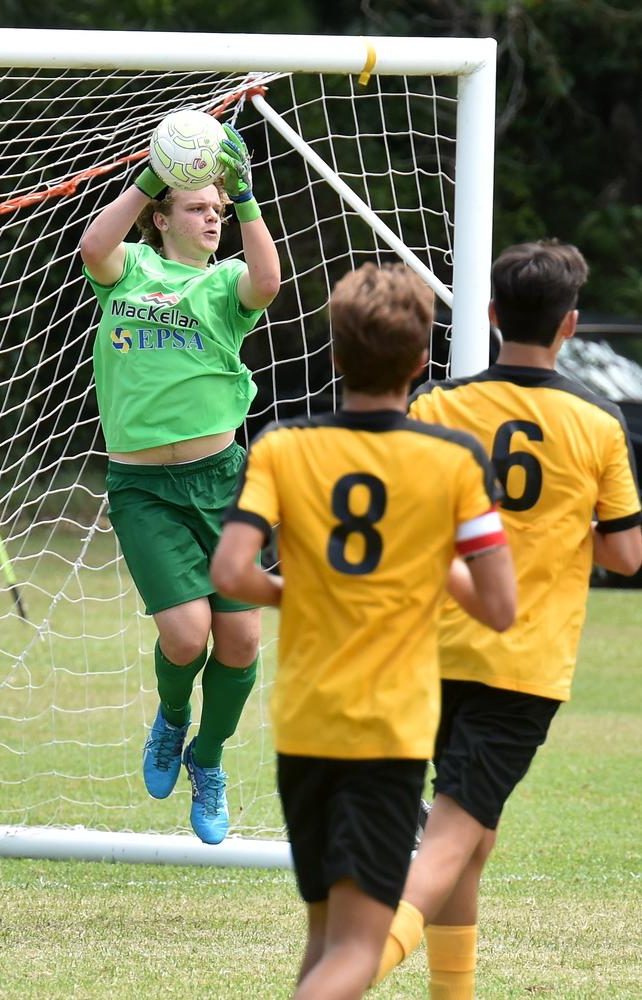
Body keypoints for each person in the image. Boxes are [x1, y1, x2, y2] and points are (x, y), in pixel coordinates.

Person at [210, 262, 516, 1000]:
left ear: (337, 355)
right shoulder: (451, 460)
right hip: (386, 729)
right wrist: (423, 567)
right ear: (421, 363)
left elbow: (230, 572)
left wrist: (301, 594)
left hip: (306, 722)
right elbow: (500, 608)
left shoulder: (283, 446)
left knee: (324, 936)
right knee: (356, 947)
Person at [373, 239, 642, 998]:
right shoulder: (598, 421)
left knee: (473, 837)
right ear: (572, 326)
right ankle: (359, 964)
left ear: (491, 317)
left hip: (431, 649)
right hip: (520, 659)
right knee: (455, 831)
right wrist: (559, 529)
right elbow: (626, 555)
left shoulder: (439, 404)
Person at [79, 122, 281, 844]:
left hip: (223, 483)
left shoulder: (226, 283)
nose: (209, 217)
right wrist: (149, 178)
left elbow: (267, 281)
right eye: (196, 207)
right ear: (163, 216)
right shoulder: (129, 268)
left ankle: (209, 757)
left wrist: (246, 195)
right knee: (188, 635)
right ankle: (171, 720)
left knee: (241, 643)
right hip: (144, 492)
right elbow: (93, 249)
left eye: (216, 212)